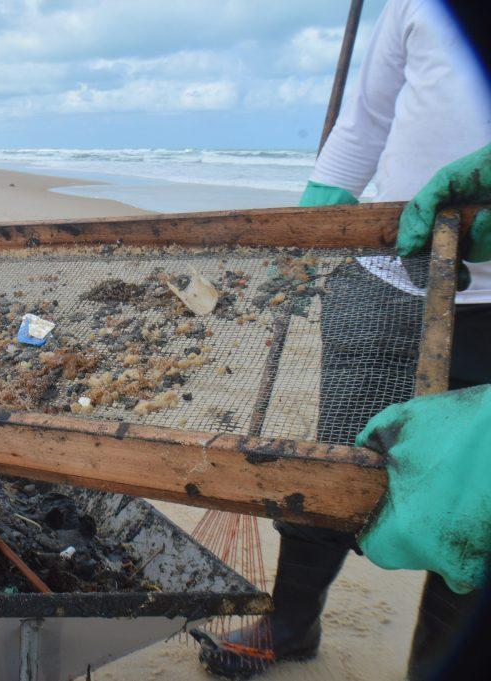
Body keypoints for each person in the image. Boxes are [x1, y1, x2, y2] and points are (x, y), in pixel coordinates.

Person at [194, 1, 491, 678]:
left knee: (478, 503)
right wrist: (317, 212)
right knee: (335, 457)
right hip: (391, 272)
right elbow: (367, 120)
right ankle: (292, 622)